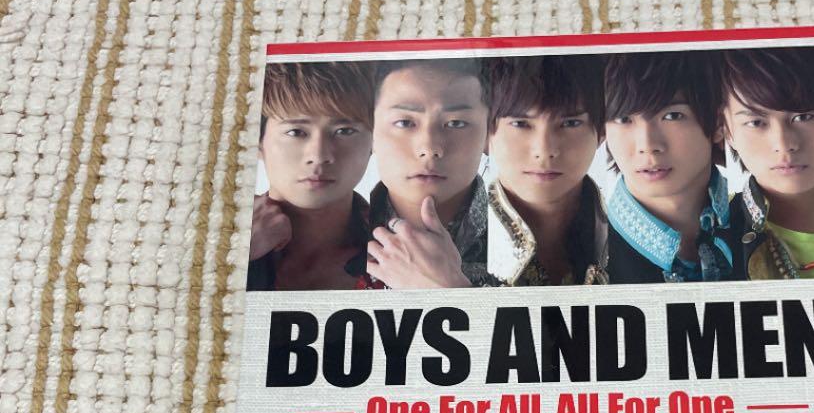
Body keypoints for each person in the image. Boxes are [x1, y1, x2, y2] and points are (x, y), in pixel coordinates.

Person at [718, 46, 814, 279]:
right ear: (727, 130)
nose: (783, 143)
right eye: (756, 122)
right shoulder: (713, 239)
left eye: (803, 116)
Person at [248, 62, 383, 291]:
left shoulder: (401, 253)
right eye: (296, 132)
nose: (319, 156)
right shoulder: (213, 236)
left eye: (344, 131)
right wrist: (235, 254)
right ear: (259, 143)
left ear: (374, 143)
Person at [603, 51, 735, 284]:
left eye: (672, 116)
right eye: (624, 119)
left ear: (718, 123)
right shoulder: (588, 253)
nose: (647, 145)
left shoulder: (763, 226)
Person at [363, 58, 492, 288]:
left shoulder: (533, 239)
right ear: (370, 132)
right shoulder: (333, 238)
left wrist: (448, 288)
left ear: (489, 133)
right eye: (404, 123)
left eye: (456, 123)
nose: (430, 148)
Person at [485, 55, 608, 285]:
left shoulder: (629, 241)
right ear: (485, 132)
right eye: (521, 124)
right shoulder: (453, 250)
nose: (544, 150)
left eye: (570, 123)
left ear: (601, 132)